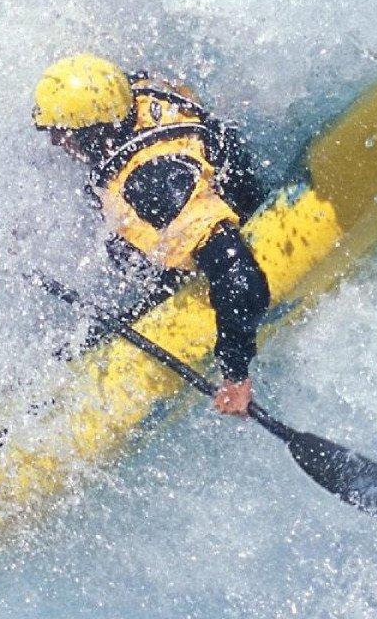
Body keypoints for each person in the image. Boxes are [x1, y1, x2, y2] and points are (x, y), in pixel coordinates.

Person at [31, 53, 271, 416]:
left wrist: (235, 375)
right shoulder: (134, 93)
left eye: (62, 136)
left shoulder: (154, 185)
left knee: (90, 333)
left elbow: (239, 277)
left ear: (92, 134)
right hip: (210, 181)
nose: (55, 144)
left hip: (218, 233)